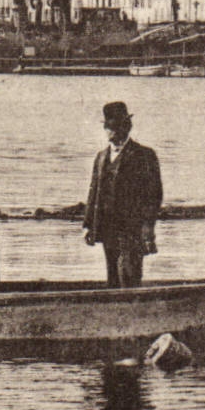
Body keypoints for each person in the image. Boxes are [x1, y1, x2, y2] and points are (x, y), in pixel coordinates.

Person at [83, 101, 162, 288]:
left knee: (129, 276)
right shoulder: (101, 157)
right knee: (112, 277)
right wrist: (89, 225)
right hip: (106, 227)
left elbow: (154, 195)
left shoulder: (144, 155)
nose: (109, 131)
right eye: (107, 126)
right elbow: (93, 191)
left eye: (114, 126)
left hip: (131, 229)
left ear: (126, 127)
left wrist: (148, 227)